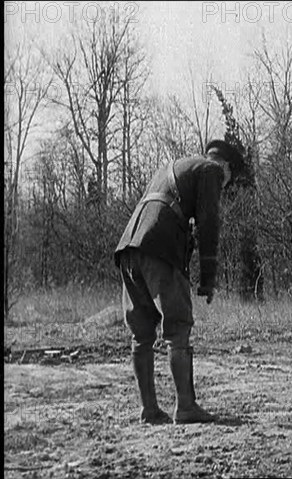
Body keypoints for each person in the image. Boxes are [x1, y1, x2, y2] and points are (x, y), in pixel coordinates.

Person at [114, 140, 243, 424]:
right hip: (159, 249)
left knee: (141, 332)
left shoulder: (175, 168)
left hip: (129, 247)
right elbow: (209, 223)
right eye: (228, 181)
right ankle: (185, 406)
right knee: (178, 326)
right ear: (226, 168)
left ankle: (149, 409)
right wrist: (208, 278)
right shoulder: (211, 170)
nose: (224, 187)